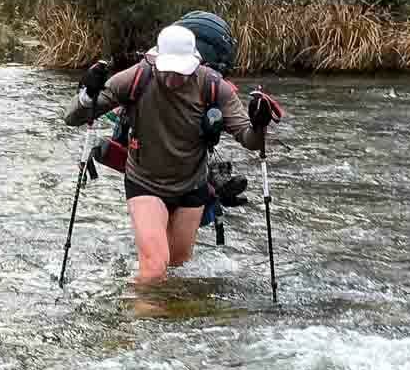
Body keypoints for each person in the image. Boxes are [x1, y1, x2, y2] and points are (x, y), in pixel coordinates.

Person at [65, 22, 283, 284]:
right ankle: (138, 322)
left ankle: (171, 321)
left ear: (194, 63)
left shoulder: (214, 87)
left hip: (192, 186)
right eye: (168, 70)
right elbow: (73, 117)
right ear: (156, 59)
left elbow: (250, 141)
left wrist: (260, 124)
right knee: (154, 268)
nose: (173, 78)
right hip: (145, 183)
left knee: (178, 271)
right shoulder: (135, 79)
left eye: (181, 72)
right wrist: (87, 95)